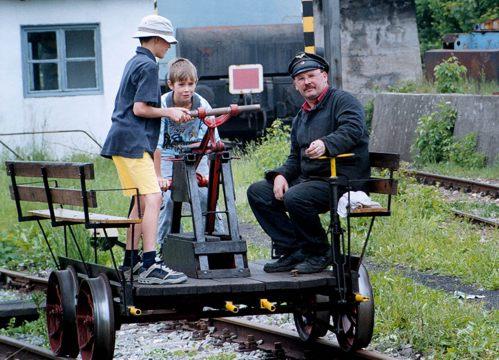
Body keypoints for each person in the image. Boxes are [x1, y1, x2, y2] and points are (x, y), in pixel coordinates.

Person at [247, 52, 370, 274]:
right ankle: (295, 249)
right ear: (295, 84)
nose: (307, 82)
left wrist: (326, 144)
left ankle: (320, 251)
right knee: (258, 192)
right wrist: (280, 175)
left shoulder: (343, 101)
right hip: (311, 180)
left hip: (342, 179)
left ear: (324, 76)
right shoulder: (301, 116)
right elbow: (295, 157)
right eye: (301, 78)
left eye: (311, 75)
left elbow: (353, 129)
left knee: (296, 196)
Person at [100, 14, 189, 285]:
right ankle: (150, 263)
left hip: (122, 141)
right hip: (133, 141)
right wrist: (169, 111)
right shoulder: (148, 65)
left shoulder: (134, 61)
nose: (168, 48)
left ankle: (131, 261)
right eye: (166, 42)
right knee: (154, 199)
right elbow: (140, 108)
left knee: (140, 202)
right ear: (157, 40)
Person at [154, 58, 225, 249]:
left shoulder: (203, 105)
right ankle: (162, 246)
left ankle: (216, 241)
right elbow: (157, 145)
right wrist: (159, 176)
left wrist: (210, 172)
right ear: (171, 85)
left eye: (191, 84)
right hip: (168, 157)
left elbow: (212, 141)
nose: (187, 89)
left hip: (195, 156)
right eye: (181, 84)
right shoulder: (162, 105)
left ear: (196, 83)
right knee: (166, 199)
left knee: (206, 196)